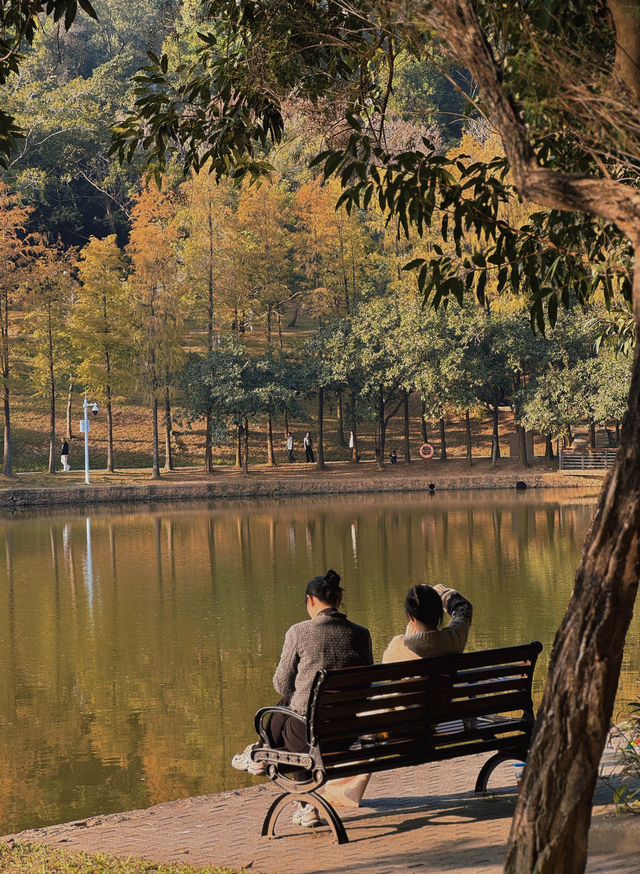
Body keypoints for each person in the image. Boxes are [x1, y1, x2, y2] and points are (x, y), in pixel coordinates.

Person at [232, 569, 372, 828]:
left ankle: (259, 753)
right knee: (295, 705)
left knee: (290, 704)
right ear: (338, 601)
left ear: (310, 601)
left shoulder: (299, 632)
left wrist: (300, 689)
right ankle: (258, 756)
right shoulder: (361, 634)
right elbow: (366, 685)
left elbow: (280, 683)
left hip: (307, 734)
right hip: (346, 731)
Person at [323, 583, 473, 812]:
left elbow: (409, 646)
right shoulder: (453, 639)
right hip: (433, 722)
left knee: (368, 719)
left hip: (401, 728)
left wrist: (414, 616)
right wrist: (443, 593)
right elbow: (463, 609)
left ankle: (340, 791)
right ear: (438, 615)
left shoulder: (397, 647)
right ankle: (340, 790)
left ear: (411, 617)